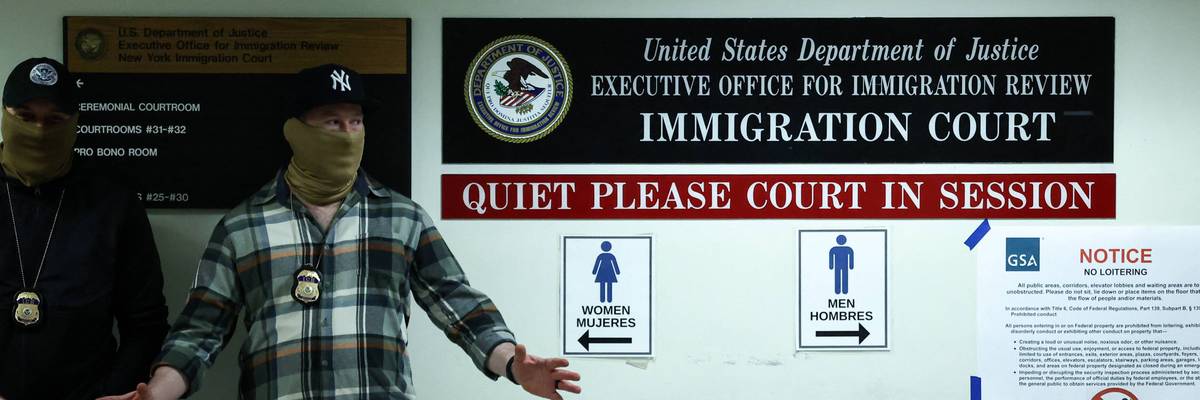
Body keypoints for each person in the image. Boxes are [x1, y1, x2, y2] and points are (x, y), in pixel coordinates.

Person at [104, 64, 582, 400]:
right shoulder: (242, 226)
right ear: (295, 131)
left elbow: (457, 304)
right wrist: (158, 392)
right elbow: (200, 332)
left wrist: (515, 366)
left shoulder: (402, 218)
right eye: (331, 121)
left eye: (355, 121)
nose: (348, 132)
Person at [0, 57, 168, 399]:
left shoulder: (114, 204)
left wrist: (112, 390)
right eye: (26, 118)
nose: (39, 131)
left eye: (54, 120)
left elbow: (146, 323)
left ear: (74, 124)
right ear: (5, 116)